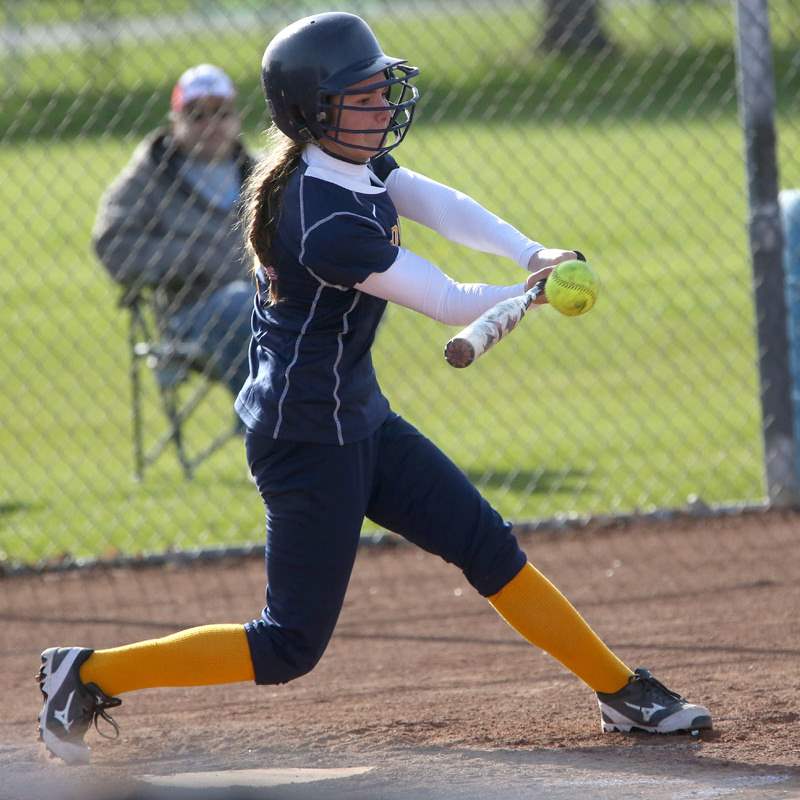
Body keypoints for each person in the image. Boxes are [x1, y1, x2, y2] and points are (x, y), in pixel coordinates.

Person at [38, 13, 712, 765]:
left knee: (488, 546)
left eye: (380, 90)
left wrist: (533, 254)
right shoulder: (323, 221)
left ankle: (621, 691)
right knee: (288, 644)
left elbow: (439, 203)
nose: (382, 107)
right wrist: (534, 294)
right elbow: (448, 299)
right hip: (305, 439)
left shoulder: (350, 162)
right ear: (311, 114)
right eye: (360, 98)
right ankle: (86, 675)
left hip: (357, 416)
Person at [92, 63, 254, 398]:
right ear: (175, 122)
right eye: (197, 115)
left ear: (237, 119)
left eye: (221, 113)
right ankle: (268, 420)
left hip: (267, 300)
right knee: (241, 308)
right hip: (190, 315)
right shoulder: (149, 177)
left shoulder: (261, 170)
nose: (211, 125)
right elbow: (113, 243)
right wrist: (193, 258)